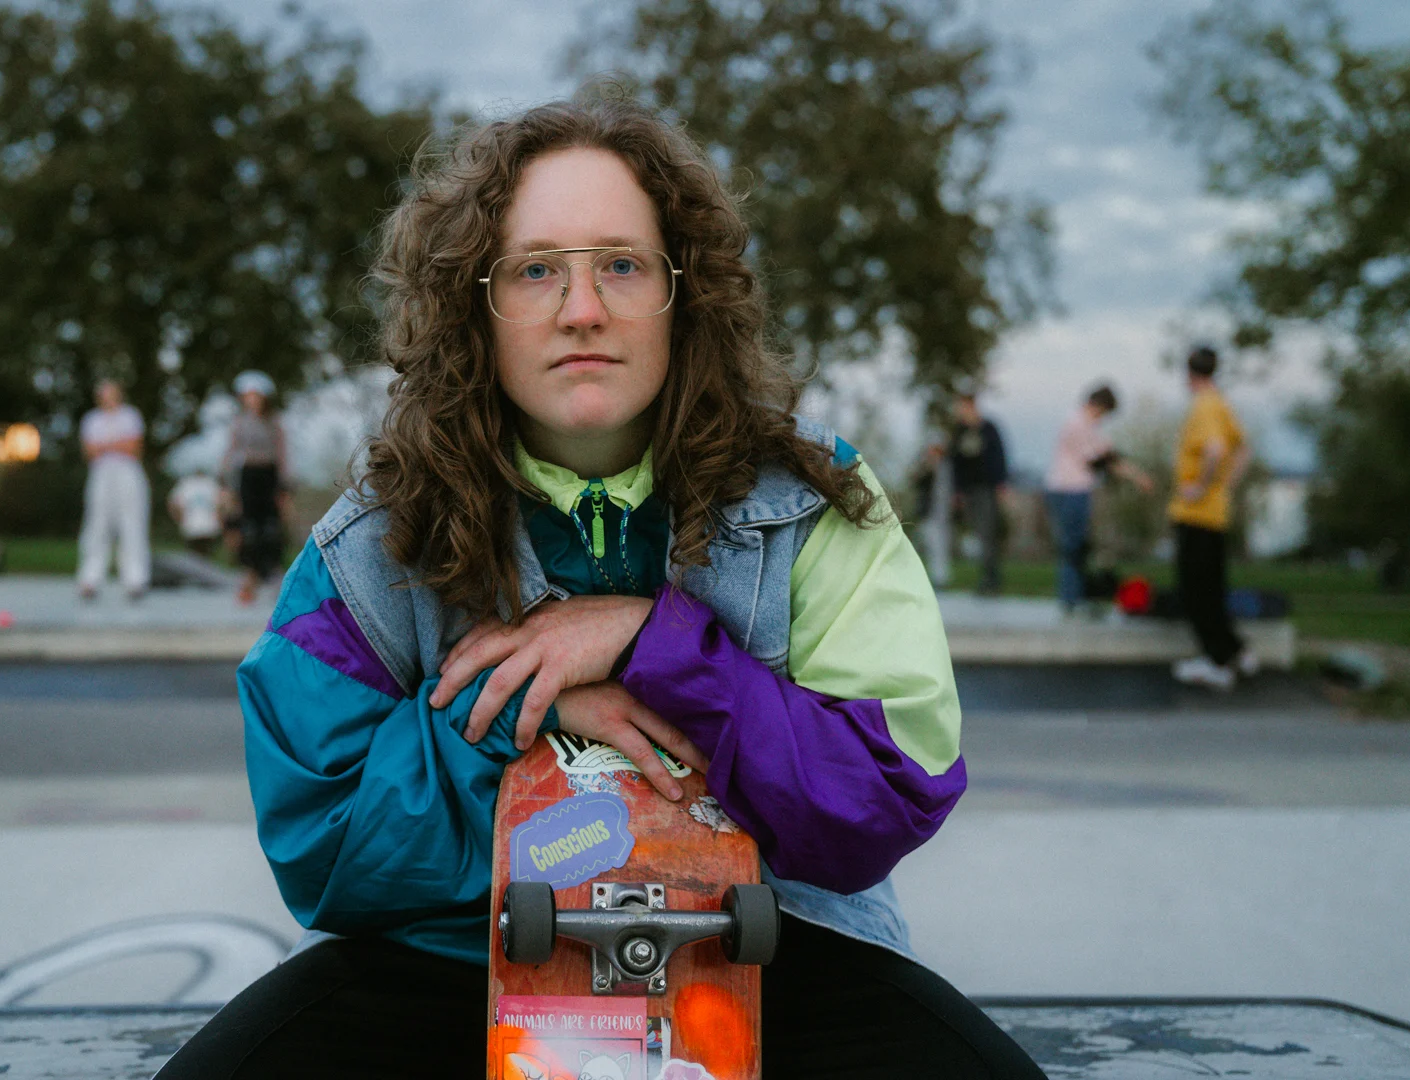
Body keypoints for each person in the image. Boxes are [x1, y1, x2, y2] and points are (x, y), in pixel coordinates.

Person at [156, 98, 1043, 1080]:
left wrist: (650, 643)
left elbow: (889, 789)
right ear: (472, 309)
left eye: (622, 264)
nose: (583, 308)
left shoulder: (811, 501)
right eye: (536, 270)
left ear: (686, 294)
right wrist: (530, 714)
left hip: (771, 950)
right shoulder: (374, 539)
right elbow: (320, 843)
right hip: (464, 958)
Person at [1169, 347, 1254, 690]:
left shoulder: (1204, 405)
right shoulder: (1221, 403)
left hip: (1197, 514)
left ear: (1189, 374)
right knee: (1212, 589)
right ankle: (1237, 651)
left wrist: (1201, 488)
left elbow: (1216, 449)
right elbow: (1243, 449)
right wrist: (1226, 486)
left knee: (1196, 592)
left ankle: (1217, 663)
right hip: (1215, 513)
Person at [1043, 384, 1155, 614]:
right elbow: (1101, 461)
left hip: (1073, 489)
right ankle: (1070, 599)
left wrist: (1138, 476)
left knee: (1077, 546)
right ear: (1098, 406)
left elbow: (1111, 457)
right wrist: (1134, 475)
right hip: (1069, 489)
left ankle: (1074, 597)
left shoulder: (1089, 427)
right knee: (1073, 547)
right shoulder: (1077, 424)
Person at [76, 379, 149, 600]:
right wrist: (117, 444)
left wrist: (105, 446)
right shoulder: (91, 419)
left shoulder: (131, 415)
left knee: (132, 523)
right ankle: (90, 578)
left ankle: (135, 579)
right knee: (96, 524)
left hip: (127, 474)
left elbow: (134, 447)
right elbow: (89, 451)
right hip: (101, 475)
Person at [221, 370, 289, 605]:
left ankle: (276, 580)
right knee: (247, 530)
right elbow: (230, 454)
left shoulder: (274, 421)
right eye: (246, 395)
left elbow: (282, 454)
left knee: (270, 530)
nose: (250, 400)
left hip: (268, 477)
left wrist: (285, 487)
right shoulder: (239, 423)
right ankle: (249, 580)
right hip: (248, 477)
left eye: (254, 395)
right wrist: (226, 486)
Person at [948, 387, 1009, 595]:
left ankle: (991, 580)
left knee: (987, 531)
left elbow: (999, 456)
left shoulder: (988, 428)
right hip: (969, 489)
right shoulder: (959, 431)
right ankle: (986, 578)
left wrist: (1001, 483)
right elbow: (955, 463)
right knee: (978, 532)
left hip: (987, 488)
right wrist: (956, 491)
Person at [167, 469, 223, 556]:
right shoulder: (187, 483)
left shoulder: (209, 483)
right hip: (197, 527)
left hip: (205, 527)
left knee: (199, 556)